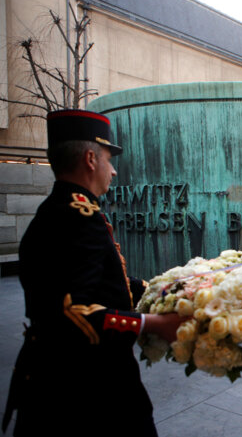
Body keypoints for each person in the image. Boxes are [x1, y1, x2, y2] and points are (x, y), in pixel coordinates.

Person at [2, 110, 185, 437]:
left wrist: (163, 289)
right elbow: (72, 312)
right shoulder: (77, 217)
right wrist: (152, 323)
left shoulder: (61, 211)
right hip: (85, 394)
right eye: (107, 159)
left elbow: (102, 283)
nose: (113, 171)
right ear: (90, 159)